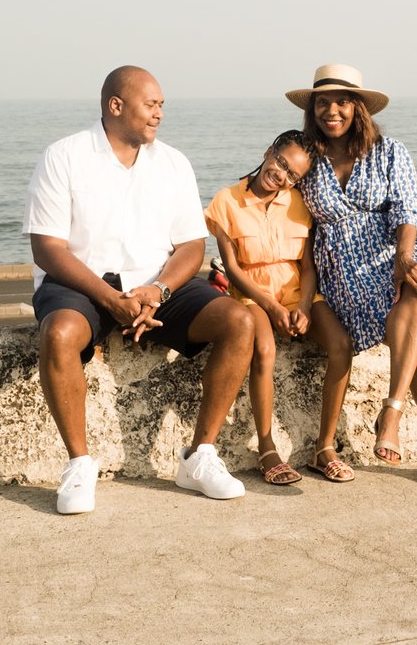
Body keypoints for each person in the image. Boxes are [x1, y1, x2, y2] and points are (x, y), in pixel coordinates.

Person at [22, 65, 257, 514]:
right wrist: (110, 299)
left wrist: (159, 290)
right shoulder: (64, 156)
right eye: (150, 104)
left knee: (239, 320)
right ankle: (79, 464)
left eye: (161, 105)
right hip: (83, 282)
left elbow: (191, 246)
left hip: (156, 283)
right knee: (59, 333)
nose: (159, 114)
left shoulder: (173, 163)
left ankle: (199, 456)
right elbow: (47, 248)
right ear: (116, 105)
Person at [290, 63, 417, 494]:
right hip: (344, 266)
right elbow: (273, 194)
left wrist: (404, 257)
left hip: (397, 246)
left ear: (358, 108)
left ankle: (393, 411)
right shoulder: (306, 158)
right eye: (323, 103)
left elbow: (407, 209)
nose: (332, 111)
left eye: (342, 102)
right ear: (313, 109)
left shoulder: (389, 151)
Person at [205, 129, 355, 485]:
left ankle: (324, 447)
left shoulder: (299, 203)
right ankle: (267, 447)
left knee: (342, 345)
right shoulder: (226, 201)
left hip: (297, 292)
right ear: (269, 151)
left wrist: (303, 306)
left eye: (292, 175)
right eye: (281, 163)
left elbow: (307, 265)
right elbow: (232, 269)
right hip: (251, 294)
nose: (281, 175)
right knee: (265, 350)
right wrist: (271, 306)